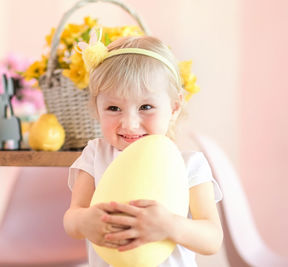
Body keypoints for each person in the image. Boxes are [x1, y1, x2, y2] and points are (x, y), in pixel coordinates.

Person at [63, 32, 223, 267]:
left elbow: (212, 239)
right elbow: (72, 218)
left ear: (174, 107)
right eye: (113, 107)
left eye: (146, 106)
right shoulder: (96, 154)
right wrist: (84, 221)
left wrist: (170, 225)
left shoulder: (189, 165)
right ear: (97, 108)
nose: (129, 123)